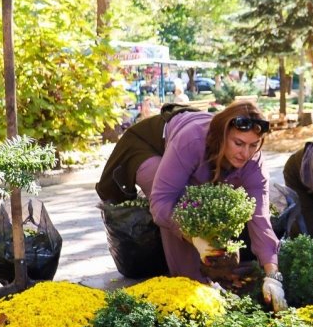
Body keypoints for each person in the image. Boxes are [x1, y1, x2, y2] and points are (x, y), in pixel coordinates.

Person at [96, 101, 286, 311]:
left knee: (198, 203)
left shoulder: (254, 163)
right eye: (238, 143)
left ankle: (210, 278)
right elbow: (162, 203)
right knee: (181, 202)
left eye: (253, 145)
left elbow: (260, 220)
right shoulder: (193, 140)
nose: (245, 153)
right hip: (149, 147)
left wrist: (272, 275)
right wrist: (195, 237)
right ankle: (191, 291)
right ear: (223, 135)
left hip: (191, 157)